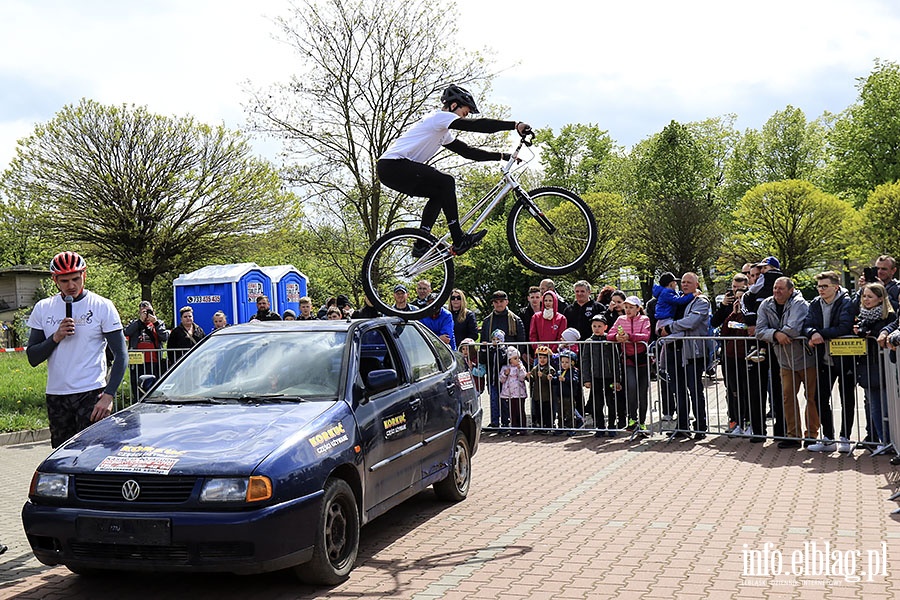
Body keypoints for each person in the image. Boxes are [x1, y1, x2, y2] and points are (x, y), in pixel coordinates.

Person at [377, 84, 531, 256]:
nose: (464, 117)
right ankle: (458, 238)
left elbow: (468, 152)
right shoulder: (439, 118)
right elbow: (478, 126)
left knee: (438, 193)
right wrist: (514, 125)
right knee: (446, 181)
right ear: (453, 105)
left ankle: (421, 243)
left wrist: (502, 155)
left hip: (391, 170)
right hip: (393, 165)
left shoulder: (442, 131)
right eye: (464, 113)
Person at [26, 251, 127, 448]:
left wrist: (108, 395)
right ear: (55, 280)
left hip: (91, 393)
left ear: (84, 276)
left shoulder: (102, 306)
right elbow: (32, 357)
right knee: (62, 457)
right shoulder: (43, 307)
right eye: (64, 281)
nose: (71, 286)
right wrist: (56, 337)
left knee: (93, 454)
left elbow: (121, 354)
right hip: (57, 395)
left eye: (75, 278)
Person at [755, 277, 818, 449]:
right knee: (787, 397)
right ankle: (793, 435)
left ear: (791, 290)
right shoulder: (766, 305)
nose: (777, 291)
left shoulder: (800, 303)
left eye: (781, 289)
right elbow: (759, 331)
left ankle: (812, 434)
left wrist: (778, 334)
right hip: (783, 359)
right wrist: (776, 334)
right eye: (775, 288)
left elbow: (793, 328)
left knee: (811, 397)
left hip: (806, 358)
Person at [802, 271, 856, 453]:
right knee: (820, 397)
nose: (821, 290)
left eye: (825, 286)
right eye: (819, 286)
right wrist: (811, 332)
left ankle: (845, 437)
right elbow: (807, 324)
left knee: (846, 397)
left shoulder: (846, 302)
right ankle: (827, 438)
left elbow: (844, 327)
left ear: (836, 287)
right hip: (823, 359)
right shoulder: (815, 303)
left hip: (845, 358)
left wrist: (819, 334)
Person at [658, 273, 710, 440]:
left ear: (697, 284)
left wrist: (670, 328)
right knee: (677, 390)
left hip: (692, 352)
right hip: (674, 350)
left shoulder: (701, 301)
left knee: (695, 390)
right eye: (683, 282)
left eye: (689, 282)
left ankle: (701, 426)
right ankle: (682, 426)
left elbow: (691, 322)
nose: (685, 285)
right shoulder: (678, 299)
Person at [714, 275, 764, 441]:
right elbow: (721, 329)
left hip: (746, 355)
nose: (736, 293)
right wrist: (727, 311)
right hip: (730, 355)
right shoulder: (730, 307)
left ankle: (750, 423)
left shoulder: (751, 305)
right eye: (734, 289)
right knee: (733, 390)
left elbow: (748, 329)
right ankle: (735, 422)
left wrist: (738, 319)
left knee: (747, 390)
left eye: (740, 290)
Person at [854, 283, 895, 453]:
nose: (866, 299)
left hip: (885, 367)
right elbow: (864, 330)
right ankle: (882, 441)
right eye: (864, 296)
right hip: (867, 366)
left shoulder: (889, 316)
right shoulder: (863, 316)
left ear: (880, 298)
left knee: (888, 407)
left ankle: (892, 442)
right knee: (874, 407)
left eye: (870, 296)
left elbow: (880, 331)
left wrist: (871, 333)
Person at [608, 296, 651, 436]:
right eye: (626, 307)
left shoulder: (645, 319)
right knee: (631, 387)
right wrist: (616, 338)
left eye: (631, 307)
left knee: (642, 392)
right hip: (628, 359)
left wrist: (630, 337)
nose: (628, 310)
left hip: (643, 359)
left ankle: (643, 423)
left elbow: (646, 336)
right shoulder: (620, 320)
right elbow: (609, 334)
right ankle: (633, 419)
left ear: (638, 308)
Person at [582, 315, 622, 437]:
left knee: (611, 402)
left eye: (599, 326)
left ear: (605, 327)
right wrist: (587, 379)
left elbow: (616, 361)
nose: (597, 328)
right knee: (597, 403)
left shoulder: (609, 341)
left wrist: (617, 379)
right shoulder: (588, 342)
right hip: (595, 377)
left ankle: (611, 425)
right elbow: (585, 361)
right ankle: (599, 426)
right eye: (594, 326)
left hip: (609, 377)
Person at [123, 300, 169, 401]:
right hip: (137, 361)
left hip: (154, 361)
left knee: (154, 385)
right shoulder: (134, 323)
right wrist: (140, 321)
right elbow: (127, 332)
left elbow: (164, 337)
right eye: (144, 312)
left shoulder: (159, 323)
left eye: (149, 311)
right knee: (137, 386)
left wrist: (155, 322)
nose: (147, 314)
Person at [479, 329, 510, 429]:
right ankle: (494, 422)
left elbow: (502, 359)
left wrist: (500, 349)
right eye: (493, 339)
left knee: (504, 402)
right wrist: (483, 349)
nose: (495, 341)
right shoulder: (490, 349)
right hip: (492, 381)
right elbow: (483, 360)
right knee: (493, 401)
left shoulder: (504, 350)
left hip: (502, 381)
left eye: (498, 339)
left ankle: (505, 421)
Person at [498, 347, 528, 434]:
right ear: (509, 360)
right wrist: (505, 374)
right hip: (509, 393)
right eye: (515, 358)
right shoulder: (505, 368)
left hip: (519, 392)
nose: (517, 360)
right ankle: (514, 427)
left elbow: (523, 377)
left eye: (518, 358)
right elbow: (501, 380)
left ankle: (523, 427)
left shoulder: (521, 366)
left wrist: (520, 369)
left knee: (521, 410)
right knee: (512, 411)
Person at [527, 345, 557, 432]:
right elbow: (532, 379)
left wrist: (543, 376)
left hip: (546, 396)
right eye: (540, 358)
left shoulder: (550, 369)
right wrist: (529, 377)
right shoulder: (535, 368)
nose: (542, 360)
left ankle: (548, 426)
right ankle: (540, 425)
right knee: (538, 411)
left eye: (544, 357)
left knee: (547, 411)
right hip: (537, 395)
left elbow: (550, 379)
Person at [529, 290, 567, 354]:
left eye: (550, 301)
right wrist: (539, 348)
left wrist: (551, 350)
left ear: (554, 301)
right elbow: (532, 335)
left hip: (555, 354)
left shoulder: (561, 318)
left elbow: (561, 337)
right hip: (539, 353)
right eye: (545, 300)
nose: (547, 303)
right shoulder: (536, 317)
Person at [554, 349, 582, 433]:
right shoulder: (559, 371)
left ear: (572, 363)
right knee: (560, 413)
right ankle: (561, 427)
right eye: (562, 362)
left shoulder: (574, 372)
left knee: (570, 413)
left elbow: (574, 381)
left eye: (567, 362)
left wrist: (565, 379)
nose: (564, 364)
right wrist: (552, 379)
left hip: (569, 396)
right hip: (560, 395)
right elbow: (556, 380)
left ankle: (571, 428)